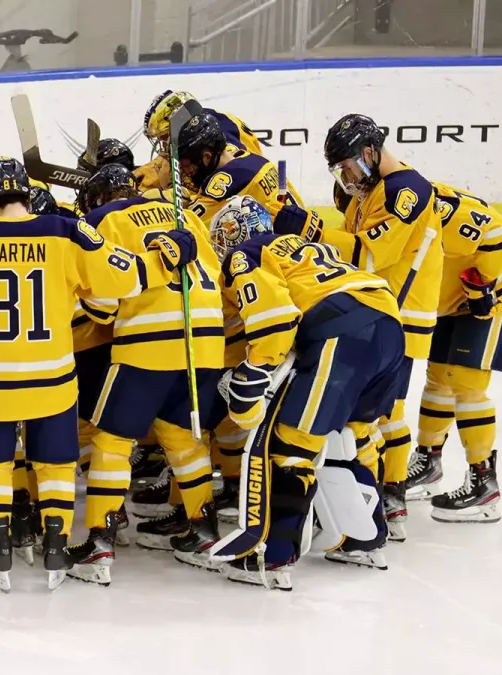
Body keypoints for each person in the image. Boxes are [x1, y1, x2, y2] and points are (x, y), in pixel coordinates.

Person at [0, 158, 148, 592]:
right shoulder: (64, 231)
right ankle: (57, 544)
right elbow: (125, 279)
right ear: (27, 194)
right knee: (56, 463)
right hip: (52, 378)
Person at [210, 195, 405, 588]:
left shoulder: (245, 255)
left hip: (342, 330)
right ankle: (363, 538)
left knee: (290, 447)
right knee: (353, 436)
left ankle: (274, 557)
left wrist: (256, 368)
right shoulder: (303, 245)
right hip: (388, 324)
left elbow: (274, 316)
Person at [274, 114, 442, 542]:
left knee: (387, 412)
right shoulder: (375, 191)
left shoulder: (407, 189)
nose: (345, 177)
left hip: (401, 314)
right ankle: (376, 497)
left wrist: (312, 229)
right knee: (366, 417)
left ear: (369, 152)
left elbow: (371, 256)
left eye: (347, 166)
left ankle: (393, 494)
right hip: (378, 309)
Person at [74, 164, 223, 582]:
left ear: (98, 198)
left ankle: (100, 542)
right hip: (207, 338)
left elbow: (103, 303)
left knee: (113, 439)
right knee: (185, 439)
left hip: (149, 340)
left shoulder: (102, 221)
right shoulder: (184, 213)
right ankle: (203, 529)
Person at [405, 183, 502, 522]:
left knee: (465, 382)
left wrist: (482, 283)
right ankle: (428, 461)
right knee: (437, 377)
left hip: (494, 294)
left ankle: (483, 481)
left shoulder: (433, 205)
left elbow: (496, 231)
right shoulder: (379, 204)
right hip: (451, 301)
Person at [177, 113, 306, 224]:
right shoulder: (253, 158)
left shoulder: (223, 185)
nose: (187, 172)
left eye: (188, 165)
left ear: (207, 156)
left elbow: (189, 226)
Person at [138, 90, 264, 192]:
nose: (163, 143)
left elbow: (231, 181)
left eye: (165, 136)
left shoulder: (214, 143)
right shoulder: (202, 127)